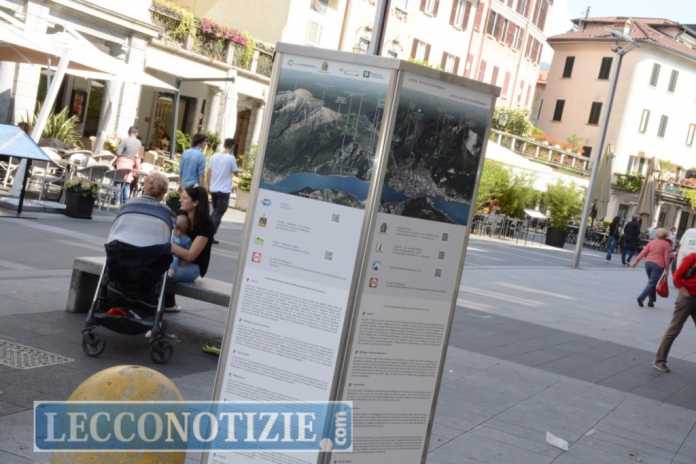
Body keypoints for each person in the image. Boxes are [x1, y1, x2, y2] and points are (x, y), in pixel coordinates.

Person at [166, 185, 214, 310]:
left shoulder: (206, 225)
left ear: (195, 203)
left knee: (165, 274)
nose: (180, 200)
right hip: (175, 261)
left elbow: (190, 256)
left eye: (185, 198)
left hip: (193, 267)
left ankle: (165, 304)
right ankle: (166, 303)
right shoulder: (181, 215)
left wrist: (167, 246)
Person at [654, 251, 696, 373]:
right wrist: (683, 290)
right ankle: (659, 361)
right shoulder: (692, 258)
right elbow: (677, 276)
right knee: (674, 329)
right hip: (687, 298)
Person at [207, 138, 240, 242]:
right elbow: (236, 173)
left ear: (224, 145)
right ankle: (208, 235)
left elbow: (209, 171)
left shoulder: (214, 156)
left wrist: (208, 185)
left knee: (216, 211)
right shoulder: (231, 158)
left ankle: (209, 235)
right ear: (232, 146)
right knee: (218, 213)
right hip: (224, 191)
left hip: (214, 189)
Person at [631, 228, 672, 308]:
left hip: (648, 264)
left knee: (652, 282)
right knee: (652, 283)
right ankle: (641, 298)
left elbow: (643, 252)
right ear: (666, 236)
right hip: (658, 265)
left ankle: (651, 300)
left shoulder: (652, 242)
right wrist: (667, 269)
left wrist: (635, 262)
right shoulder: (666, 244)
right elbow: (666, 258)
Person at [115, 127, 143, 206]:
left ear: (129, 132)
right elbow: (139, 156)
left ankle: (117, 200)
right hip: (130, 164)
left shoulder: (125, 140)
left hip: (122, 163)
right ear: (136, 133)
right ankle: (125, 201)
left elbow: (118, 152)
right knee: (127, 183)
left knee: (118, 181)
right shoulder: (139, 143)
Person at [169, 213, 192, 278]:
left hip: (177, 257)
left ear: (185, 230)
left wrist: (185, 261)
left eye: (182, 231)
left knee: (175, 259)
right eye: (177, 229)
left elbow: (188, 252)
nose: (178, 233)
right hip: (167, 253)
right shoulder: (171, 234)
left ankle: (171, 270)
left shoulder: (186, 239)